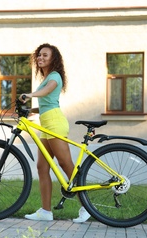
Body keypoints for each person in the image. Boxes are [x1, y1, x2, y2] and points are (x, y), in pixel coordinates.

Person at [19, 43, 90, 223]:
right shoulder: (46, 77)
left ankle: (87, 208)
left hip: (55, 123)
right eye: (39, 55)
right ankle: (45, 211)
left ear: (53, 59)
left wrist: (30, 94)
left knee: (66, 164)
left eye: (45, 55)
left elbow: (47, 91)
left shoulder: (54, 76)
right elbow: (46, 103)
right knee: (42, 168)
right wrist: (30, 110)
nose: (40, 58)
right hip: (47, 123)